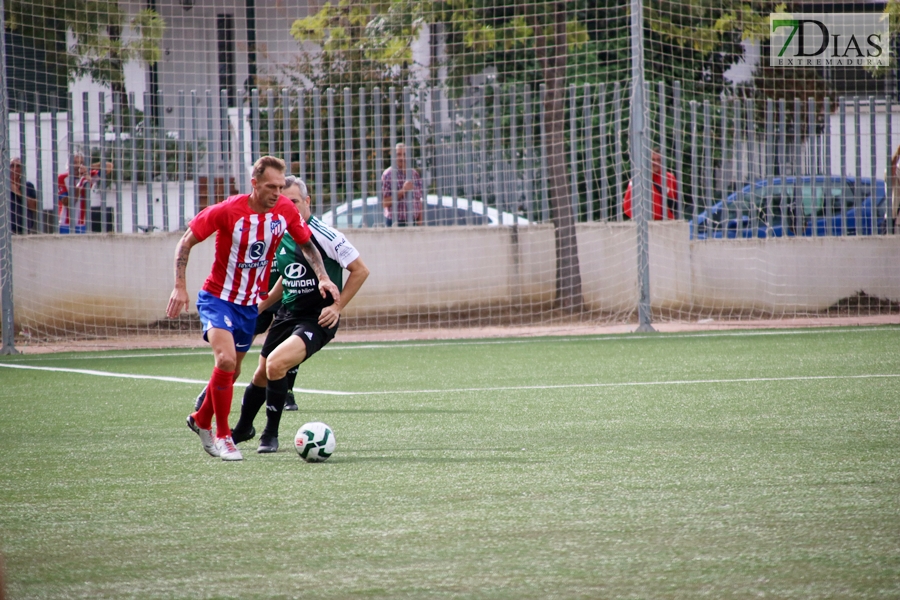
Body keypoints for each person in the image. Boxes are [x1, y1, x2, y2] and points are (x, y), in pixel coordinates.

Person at [166, 156, 340, 461]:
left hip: (250, 306)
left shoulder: (285, 210)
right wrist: (180, 285)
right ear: (254, 184)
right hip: (218, 298)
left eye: (280, 186)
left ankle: (200, 419)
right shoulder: (227, 211)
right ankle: (224, 437)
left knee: (233, 372)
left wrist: (324, 277)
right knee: (226, 360)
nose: (276, 192)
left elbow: (307, 244)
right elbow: (186, 242)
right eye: (270, 186)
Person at [229, 175, 369, 453]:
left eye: (293, 201)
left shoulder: (326, 235)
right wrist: (261, 305)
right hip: (287, 314)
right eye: (284, 201)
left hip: (317, 319)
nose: (289, 207)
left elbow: (361, 270)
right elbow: (287, 277)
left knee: (276, 365)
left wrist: (336, 307)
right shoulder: (281, 232)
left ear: (306, 202)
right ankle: (243, 429)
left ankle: (270, 434)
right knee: (260, 375)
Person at [57, 153, 113, 234]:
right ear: (68, 165)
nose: (78, 166)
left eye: (80, 163)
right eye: (75, 163)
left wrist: (88, 167)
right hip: (65, 224)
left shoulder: (89, 175)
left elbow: (109, 166)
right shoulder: (62, 178)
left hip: (82, 223)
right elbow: (68, 202)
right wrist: (81, 182)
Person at [623, 149, 678, 221]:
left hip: (668, 223)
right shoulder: (638, 178)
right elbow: (627, 205)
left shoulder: (670, 178)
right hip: (647, 223)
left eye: (659, 160)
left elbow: (677, 202)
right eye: (653, 160)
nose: (656, 163)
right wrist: (639, 219)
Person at [381, 142, 423, 227]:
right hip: (395, 222)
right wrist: (403, 190)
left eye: (404, 154)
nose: (402, 157)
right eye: (398, 154)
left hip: (413, 222)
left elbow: (419, 199)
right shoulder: (388, 175)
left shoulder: (414, 174)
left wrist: (420, 220)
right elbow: (384, 203)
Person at [10, 158, 37, 234]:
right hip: (5, 231)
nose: (15, 169)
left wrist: (18, 193)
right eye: (12, 166)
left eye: (18, 166)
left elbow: (35, 207)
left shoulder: (28, 186)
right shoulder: (2, 185)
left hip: (25, 230)